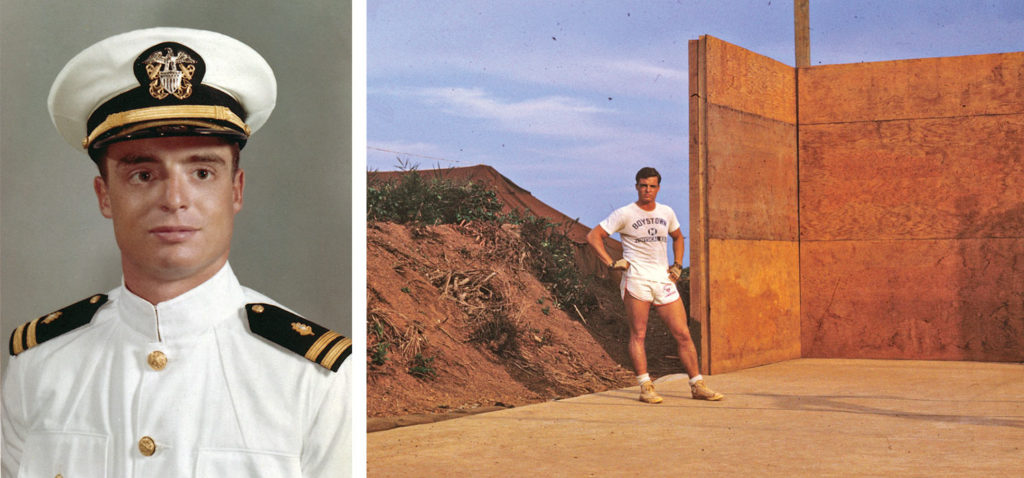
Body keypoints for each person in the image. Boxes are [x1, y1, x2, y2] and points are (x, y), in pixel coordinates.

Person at [1, 27, 352, 477]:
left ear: (236, 190)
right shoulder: (39, 367)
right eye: (143, 174)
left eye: (203, 172)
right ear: (104, 195)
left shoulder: (316, 379)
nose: (174, 199)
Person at [586, 167, 722, 404]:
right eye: (643, 185)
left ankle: (697, 384)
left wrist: (678, 264)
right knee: (638, 334)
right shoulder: (624, 213)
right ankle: (645, 386)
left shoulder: (666, 212)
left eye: (652, 186)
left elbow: (678, 237)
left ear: (658, 188)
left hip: (662, 279)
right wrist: (610, 263)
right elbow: (593, 236)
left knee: (683, 333)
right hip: (636, 279)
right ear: (636, 186)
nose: (647, 190)